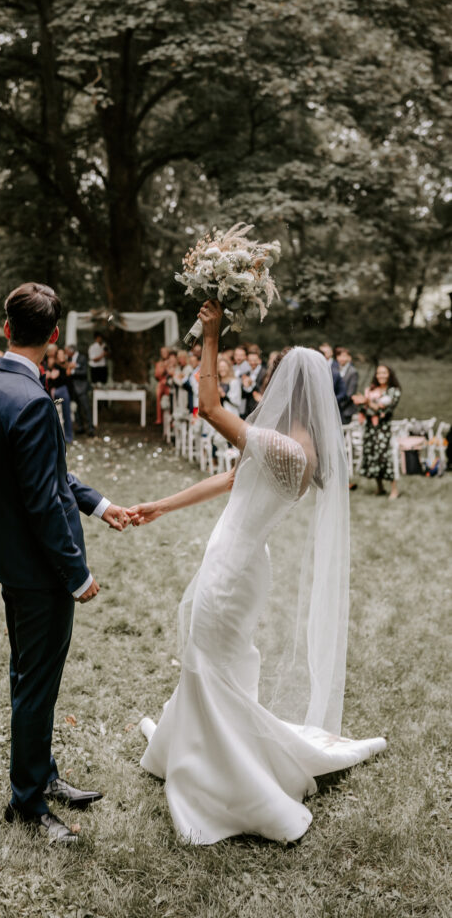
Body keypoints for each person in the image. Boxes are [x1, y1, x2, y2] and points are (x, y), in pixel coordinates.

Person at [129, 300, 386, 845]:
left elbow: (206, 404)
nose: (266, 386)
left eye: (273, 378)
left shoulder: (285, 450)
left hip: (235, 568)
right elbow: (228, 482)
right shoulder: (287, 449)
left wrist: (211, 336)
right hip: (236, 559)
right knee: (214, 661)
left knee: (211, 659)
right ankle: (195, 747)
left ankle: (229, 778)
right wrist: (160, 504)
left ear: (287, 390)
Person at [0, 282, 130, 845]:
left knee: (28, 675)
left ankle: (43, 774)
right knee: (36, 683)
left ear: (7, 327)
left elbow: (42, 475)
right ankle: (28, 803)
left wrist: (99, 504)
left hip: (11, 560)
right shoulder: (34, 399)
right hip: (39, 570)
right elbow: (40, 499)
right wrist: (76, 573)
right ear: (55, 337)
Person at [353, 365, 402, 499]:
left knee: (385, 457)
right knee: (372, 456)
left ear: (389, 374)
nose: (381, 375)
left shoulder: (394, 391)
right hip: (370, 428)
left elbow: (383, 411)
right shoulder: (372, 390)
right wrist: (363, 403)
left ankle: (394, 489)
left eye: (384, 373)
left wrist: (367, 402)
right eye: (379, 373)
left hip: (383, 429)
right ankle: (379, 487)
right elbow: (366, 410)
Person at [66, 344, 95, 436]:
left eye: (67, 351)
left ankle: (90, 428)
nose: (66, 353)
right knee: (76, 409)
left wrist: (73, 371)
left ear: (72, 351)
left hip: (82, 387)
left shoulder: (82, 358)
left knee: (86, 408)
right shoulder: (69, 359)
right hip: (73, 388)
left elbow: (84, 372)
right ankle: (80, 427)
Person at [240, 345, 267, 418]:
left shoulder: (265, 373)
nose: (252, 362)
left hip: (260, 410)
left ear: (259, 360)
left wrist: (252, 383)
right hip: (248, 410)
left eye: (255, 360)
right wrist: (244, 386)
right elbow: (244, 395)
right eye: (250, 360)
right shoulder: (247, 373)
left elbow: (264, 391)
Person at [335, 347, 359, 425]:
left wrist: (336, 402)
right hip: (334, 407)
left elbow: (350, 392)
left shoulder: (353, 372)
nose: (342, 358)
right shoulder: (334, 370)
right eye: (340, 356)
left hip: (345, 408)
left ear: (349, 357)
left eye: (344, 356)